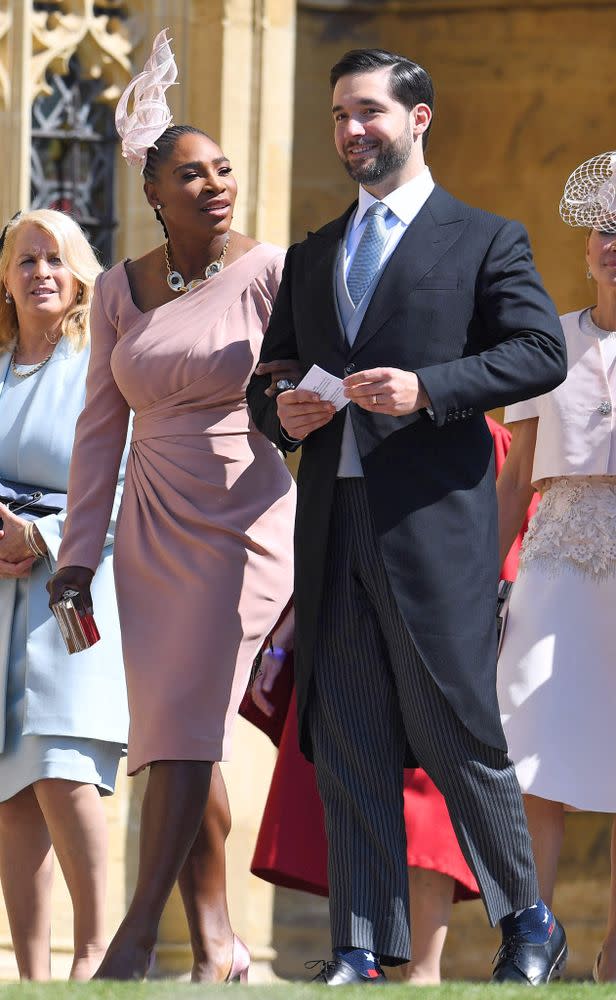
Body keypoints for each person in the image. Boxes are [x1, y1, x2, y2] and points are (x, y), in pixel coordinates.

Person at [247, 47, 568, 986]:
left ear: (417, 119)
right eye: (341, 114)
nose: (352, 130)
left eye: (370, 113)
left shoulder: (485, 239)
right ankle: (361, 946)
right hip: (331, 522)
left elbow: (538, 351)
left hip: (433, 530)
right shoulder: (311, 256)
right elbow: (266, 383)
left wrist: (429, 387)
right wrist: (283, 414)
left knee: (458, 731)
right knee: (346, 736)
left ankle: (528, 921)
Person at [47, 30, 295, 982]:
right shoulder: (116, 290)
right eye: (192, 174)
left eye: (224, 170)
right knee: (171, 743)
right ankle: (221, 944)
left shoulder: (273, 272)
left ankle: (134, 938)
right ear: (154, 193)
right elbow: (97, 433)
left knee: (190, 726)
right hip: (148, 530)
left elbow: (305, 388)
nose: (215, 185)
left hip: (244, 515)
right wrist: (77, 558)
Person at [248, 416, 538, 985]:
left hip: (448, 578)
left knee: (432, 788)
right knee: (356, 763)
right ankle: (363, 955)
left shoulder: (490, 439)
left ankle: (427, 969)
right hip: (353, 573)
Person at [496, 150, 616, 984]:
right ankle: (533, 937)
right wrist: (479, 582)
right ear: (585, 247)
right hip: (552, 567)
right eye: (606, 230)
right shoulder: (549, 344)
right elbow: (514, 472)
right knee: (531, 754)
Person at [0, 208, 129, 980]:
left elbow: (129, 483)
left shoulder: (99, 368)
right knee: (11, 785)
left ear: (80, 274)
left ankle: (95, 953)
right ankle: (32, 973)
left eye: (56, 259)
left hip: (74, 590)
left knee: (61, 764)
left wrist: (41, 538)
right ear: (5, 278)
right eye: (25, 260)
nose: (41, 272)